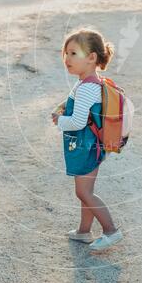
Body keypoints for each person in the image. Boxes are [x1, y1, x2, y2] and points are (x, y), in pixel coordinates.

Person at [51, 27, 123, 253]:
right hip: (91, 145)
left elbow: (78, 122)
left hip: (86, 146)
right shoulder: (90, 82)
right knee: (85, 189)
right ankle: (84, 231)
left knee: (84, 192)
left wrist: (59, 120)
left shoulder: (87, 88)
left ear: (92, 58)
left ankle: (111, 230)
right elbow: (80, 105)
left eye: (74, 53)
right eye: (66, 53)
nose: (67, 59)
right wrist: (65, 105)